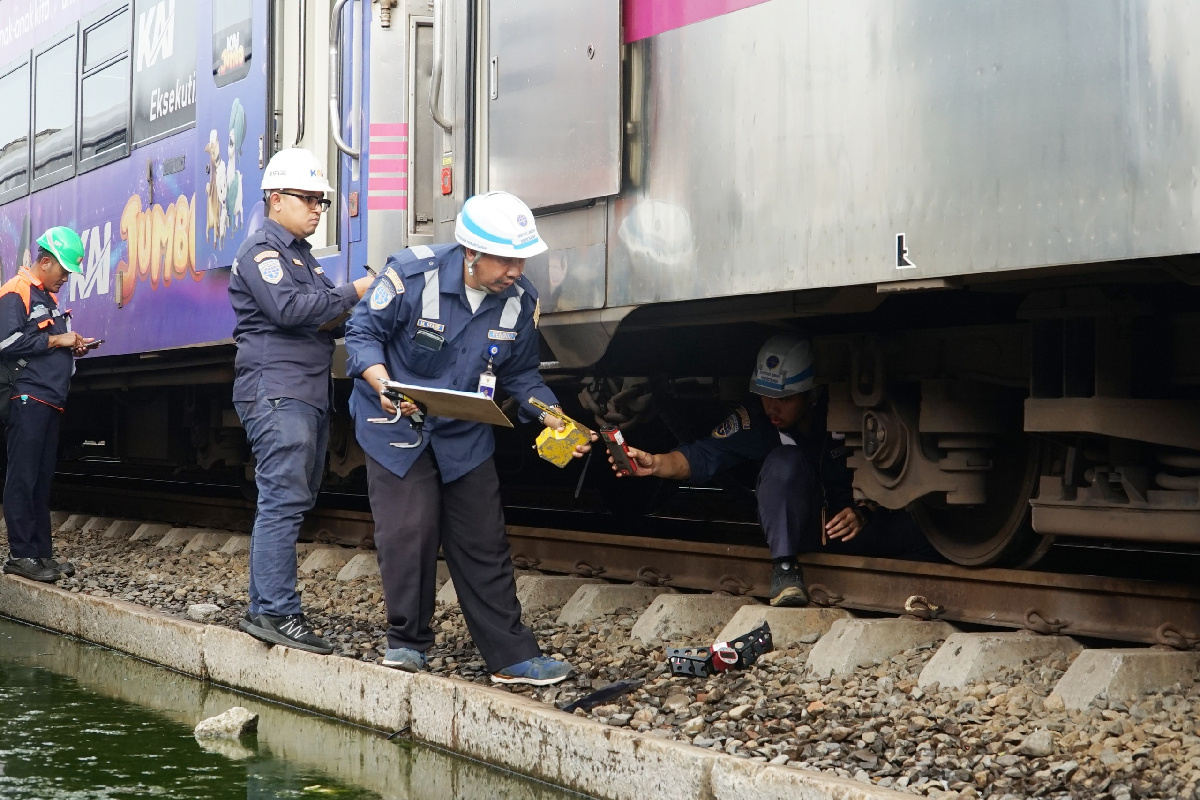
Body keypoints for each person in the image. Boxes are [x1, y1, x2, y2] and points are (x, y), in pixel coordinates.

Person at [345, 191, 591, 686]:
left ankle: (510, 656)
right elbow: (361, 334)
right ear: (472, 254)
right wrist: (382, 384)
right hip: (395, 423)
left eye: (522, 259)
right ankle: (407, 645)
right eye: (507, 259)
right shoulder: (411, 275)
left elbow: (521, 374)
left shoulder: (521, 302)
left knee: (484, 539)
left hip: (464, 431)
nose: (517, 271)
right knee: (409, 532)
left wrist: (551, 414)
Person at [611, 333, 939, 606]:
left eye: (784, 398)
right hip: (803, 533)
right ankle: (784, 572)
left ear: (811, 393)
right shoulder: (757, 421)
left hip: (857, 526)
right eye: (765, 396)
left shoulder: (849, 409)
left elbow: (896, 472)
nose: (772, 406)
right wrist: (655, 464)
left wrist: (865, 510)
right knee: (785, 460)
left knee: (928, 534)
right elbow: (702, 455)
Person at [229, 148, 373, 654]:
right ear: (275, 199)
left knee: (294, 500)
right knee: (284, 502)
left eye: (322, 201)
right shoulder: (262, 253)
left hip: (303, 392)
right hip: (277, 391)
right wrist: (355, 290)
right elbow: (291, 310)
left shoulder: (302, 259)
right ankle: (277, 612)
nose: (317, 209)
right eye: (308, 198)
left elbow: (324, 314)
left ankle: (264, 608)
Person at [1, 227, 96, 583]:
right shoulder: (17, 290)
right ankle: (20, 555)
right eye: (64, 270)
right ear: (44, 262)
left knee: (41, 480)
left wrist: (70, 344)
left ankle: (40, 555)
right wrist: (58, 339)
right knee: (23, 478)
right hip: (28, 396)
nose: (67, 277)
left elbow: (40, 339)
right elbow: (6, 342)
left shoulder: (44, 295)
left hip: (49, 399)